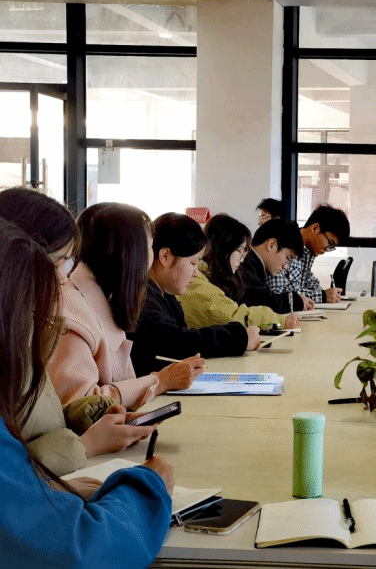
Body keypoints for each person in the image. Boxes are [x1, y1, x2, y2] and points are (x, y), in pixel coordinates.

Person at [0, 218, 174, 566]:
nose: (63, 282)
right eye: (61, 263)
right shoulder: (69, 316)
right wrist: (146, 489)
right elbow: (79, 549)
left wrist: (45, 493)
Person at [0, 189, 155, 476]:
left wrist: (87, 414)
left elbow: (34, 420)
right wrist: (86, 445)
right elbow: (11, 472)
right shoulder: (60, 313)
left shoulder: (20, 328)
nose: (64, 277)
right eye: (59, 261)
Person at [49, 203, 203, 410]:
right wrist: (159, 381)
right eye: (149, 247)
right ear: (130, 254)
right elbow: (80, 405)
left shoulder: (103, 298)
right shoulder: (72, 312)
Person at [129, 213, 263, 377]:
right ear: (165, 256)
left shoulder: (166, 296)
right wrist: (239, 338)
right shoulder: (141, 298)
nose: (196, 272)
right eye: (193, 263)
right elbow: (175, 343)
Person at [178, 213, 296, 330]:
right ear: (223, 248)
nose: (242, 260)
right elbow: (233, 317)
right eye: (240, 251)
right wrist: (279, 322)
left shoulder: (210, 276)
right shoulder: (195, 280)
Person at [268, 204, 351, 305]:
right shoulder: (285, 243)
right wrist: (322, 296)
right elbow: (279, 293)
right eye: (330, 243)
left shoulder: (308, 253)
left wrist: (324, 294)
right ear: (315, 228)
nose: (327, 250)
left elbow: (312, 285)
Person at [238, 218, 304, 314]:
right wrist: (296, 301)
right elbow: (259, 303)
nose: (286, 267)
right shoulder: (244, 264)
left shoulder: (255, 264)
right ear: (271, 245)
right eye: (288, 258)